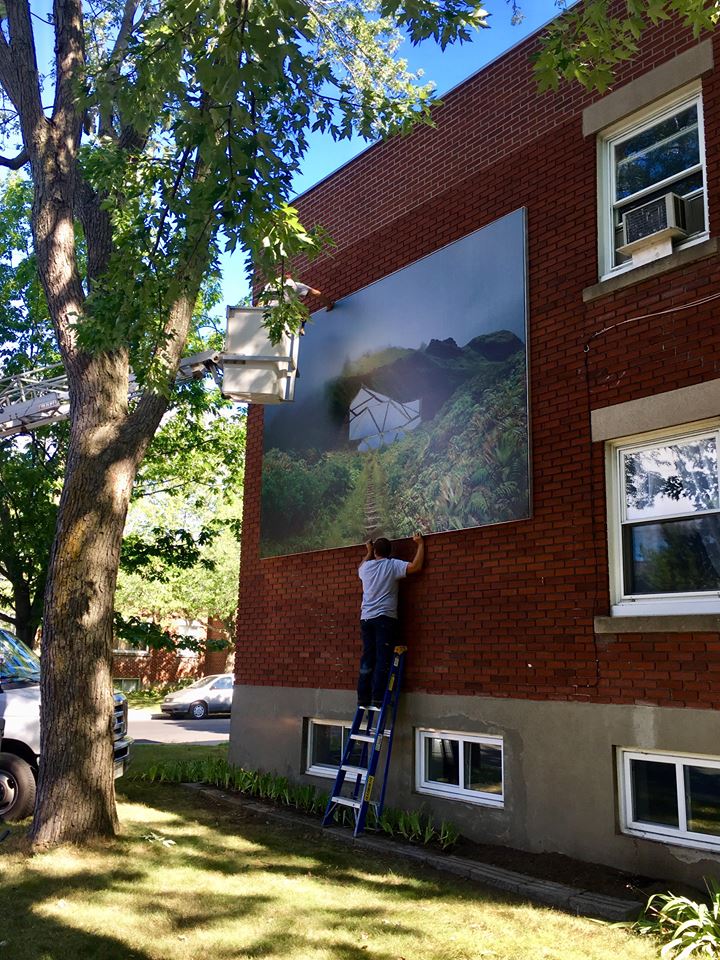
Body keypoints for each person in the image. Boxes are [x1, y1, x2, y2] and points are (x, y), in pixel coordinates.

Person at [357, 533, 424, 709]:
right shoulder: (392, 565)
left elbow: (362, 564)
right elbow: (416, 567)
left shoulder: (366, 568)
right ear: (390, 552)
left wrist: (368, 551)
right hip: (384, 619)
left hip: (366, 618)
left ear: (376, 552)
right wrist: (420, 544)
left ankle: (363, 698)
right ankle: (378, 698)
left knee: (367, 657)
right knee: (382, 658)